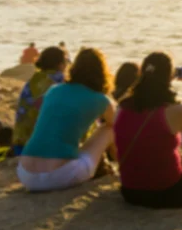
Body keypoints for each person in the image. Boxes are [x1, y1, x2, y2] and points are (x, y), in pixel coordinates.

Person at [114, 53, 182, 209]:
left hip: (130, 192)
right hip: (166, 193)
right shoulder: (172, 112)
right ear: (169, 78)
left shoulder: (122, 106)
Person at [17, 48, 115, 192]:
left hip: (26, 174)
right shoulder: (101, 99)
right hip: (58, 176)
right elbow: (120, 126)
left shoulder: (54, 90)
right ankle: (119, 165)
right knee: (109, 129)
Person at [13, 46, 68, 148]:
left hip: (20, 140)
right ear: (60, 64)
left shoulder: (33, 80)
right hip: (43, 144)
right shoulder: (59, 79)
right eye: (66, 61)